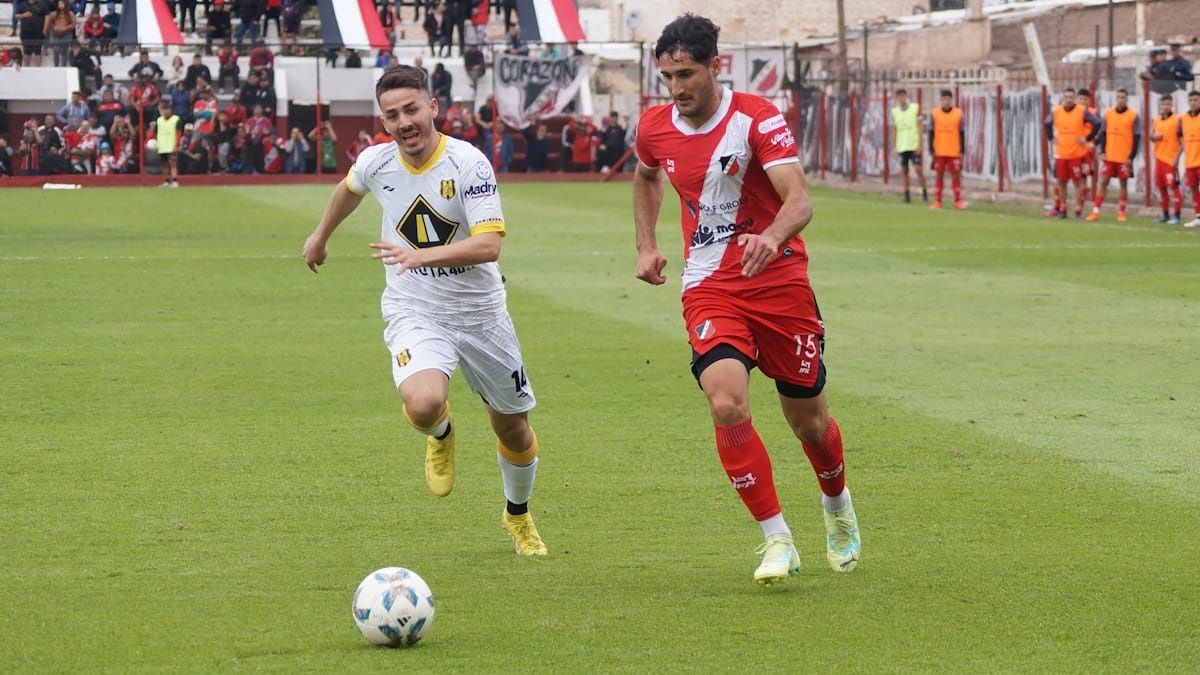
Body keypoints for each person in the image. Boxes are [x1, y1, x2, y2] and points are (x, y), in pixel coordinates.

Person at [632, 14, 860, 585]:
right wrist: (646, 244)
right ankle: (776, 538)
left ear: (715, 66)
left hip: (779, 283)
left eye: (686, 74)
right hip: (710, 286)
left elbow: (799, 200)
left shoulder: (756, 118)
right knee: (726, 400)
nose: (676, 88)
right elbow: (645, 176)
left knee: (809, 422)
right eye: (667, 77)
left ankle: (837, 509)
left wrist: (772, 236)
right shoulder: (655, 127)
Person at [303, 64, 548, 556]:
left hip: (481, 314)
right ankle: (441, 431)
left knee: (514, 429)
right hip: (415, 307)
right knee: (422, 402)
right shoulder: (377, 162)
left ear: (433, 107)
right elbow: (347, 190)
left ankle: (517, 517)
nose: (403, 122)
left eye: (411, 109)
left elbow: (488, 246)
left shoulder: (469, 163)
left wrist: (420, 255)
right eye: (391, 115)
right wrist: (320, 235)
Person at [1044, 87, 1101, 219]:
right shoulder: (1056, 111)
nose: (1069, 100)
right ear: (1063, 98)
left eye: (1071, 97)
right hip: (1061, 153)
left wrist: (1087, 138)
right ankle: (1062, 208)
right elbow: (1047, 123)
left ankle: (1078, 208)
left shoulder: (1082, 111)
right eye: (1066, 97)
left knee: (1078, 182)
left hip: (1077, 153)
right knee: (1061, 182)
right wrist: (1051, 138)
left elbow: (1097, 123)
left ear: (1074, 98)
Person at [1088, 88, 1140, 223]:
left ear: (1127, 99)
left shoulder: (1133, 115)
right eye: (1118, 97)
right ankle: (1095, 211)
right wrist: (1102, 151)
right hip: (1110, 155)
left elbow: (1137, 137)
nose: (1120, 100)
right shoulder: (1108, 114)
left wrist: (1131, 157)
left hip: (1124, 157)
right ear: (1115, 98)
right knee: (1103, 182)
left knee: (1123, 184)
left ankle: (1121, 212)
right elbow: (1103, 133)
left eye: (1123, 97)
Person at [928, 89, 965, 210]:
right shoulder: (934, 113)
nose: (946, 102)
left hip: (954, 151)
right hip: (939, 150)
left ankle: (958, 200)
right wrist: (931, 148)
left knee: (956, 176)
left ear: (952, 100)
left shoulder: (958, 114)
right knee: (939, 175)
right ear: (941, 100)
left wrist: (962, 150)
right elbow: (931, 132)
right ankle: (938, 201)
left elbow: (962, 132)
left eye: (948, 99)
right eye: (944, 99)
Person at [1150, 93, 1183, 225]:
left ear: (1172, 105)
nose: (1165, 106)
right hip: (1159, 159)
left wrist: (1177, 158)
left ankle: (1177, 216)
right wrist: (1154, 137)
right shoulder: (1157, 120)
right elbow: (1152, 136)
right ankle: (1165, 214)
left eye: (1168, 104)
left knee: (1174, 188)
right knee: (1162, 188)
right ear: (1160, 105)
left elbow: (1182, 142)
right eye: (1163, 104)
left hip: (1170, 160)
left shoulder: (1177, 120)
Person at [891, 88, 927, 203]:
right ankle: (907, 195)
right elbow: (895, 129)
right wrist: (894, 145)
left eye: (903, 96)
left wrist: (920, 144)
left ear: (906, 96)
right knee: (904, 170)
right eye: (899, 97)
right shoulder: (895, 112)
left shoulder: (915, 108)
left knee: (918, 169)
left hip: (913, 144)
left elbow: (920, 126)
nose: (901, 99)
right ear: (896, 98)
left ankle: (924, 192)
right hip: (902, 145)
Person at [1181, 90, 1200, 228]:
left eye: (1196, 100)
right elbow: (1179, 134)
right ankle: (1198, 216)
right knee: (1193, 188)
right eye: (1191, 100)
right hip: (1190, 160)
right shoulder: (1184, 118)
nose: (1193, 103)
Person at [154, 99, 181, 187]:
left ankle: (175, 181)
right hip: (162, 146)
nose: (164, 112)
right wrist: (147, 141)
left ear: (170, 110)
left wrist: (176, 144)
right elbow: (155, 132)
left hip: (171, 145)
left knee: (172, 163)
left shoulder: (176, 119)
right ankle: (166, 181)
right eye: (162, 110)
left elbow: (178, 133)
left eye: (166, 109)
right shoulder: (159, 120)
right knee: (164, 164)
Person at [43, 1, 76, 68]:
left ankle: (63, 67)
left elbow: (73, 23)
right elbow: (50, 23)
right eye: (59, 4)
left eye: (62, 4)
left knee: (64, 52)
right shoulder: (54, 14)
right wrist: (54, 28)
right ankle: (56, 66)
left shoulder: (70, 14)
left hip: (66, 34)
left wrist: (66, 28)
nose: (60, 5)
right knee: (56, 51)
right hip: (55, 34)